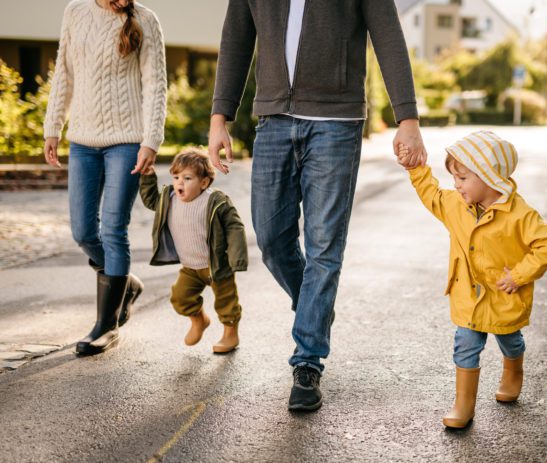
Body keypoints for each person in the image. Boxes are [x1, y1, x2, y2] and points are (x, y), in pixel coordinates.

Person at [208, 0, 427, 412]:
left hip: (336, 122)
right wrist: (221, 117)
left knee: (325, 245)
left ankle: (307, 360)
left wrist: (407, 118)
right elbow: (236, 38)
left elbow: (389, 37)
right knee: (271, 238)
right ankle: (315, 306)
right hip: (273, 118)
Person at [397, 131, 547, 429]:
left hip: (504, 298)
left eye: (462, 179)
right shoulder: (456, 206)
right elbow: (432, 194)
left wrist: (519, 275)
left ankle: (513, 371)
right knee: (465, 345)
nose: (456, 185)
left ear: (489, 177)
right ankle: (463, 405)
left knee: (510, 341)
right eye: (454, 178)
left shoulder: (520, 215)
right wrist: (416, 169)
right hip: (469, 298)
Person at [43, 0, 167, 355]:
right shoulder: (75, 12)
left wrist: (151, 142)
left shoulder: (145, 19)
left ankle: (105, 325)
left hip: (127, 143)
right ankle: (124, 282)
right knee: (82, 230)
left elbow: (156, 86)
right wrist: (53, 126)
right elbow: (63, 73)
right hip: (82, 142)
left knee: (113, 228)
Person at [139, 148, 248, 353]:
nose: (179, 182)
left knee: (227, 303)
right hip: (190, 267)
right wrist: (147, 177)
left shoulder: (215, 201)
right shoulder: (169, 199)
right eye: (176, 177)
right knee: (180, 297)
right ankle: (199, 320)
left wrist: (237, 257)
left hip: (217, 266)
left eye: (187, 178)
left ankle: (230, 335)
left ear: (204, 183)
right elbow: (150, 199)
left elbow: (235, 226)